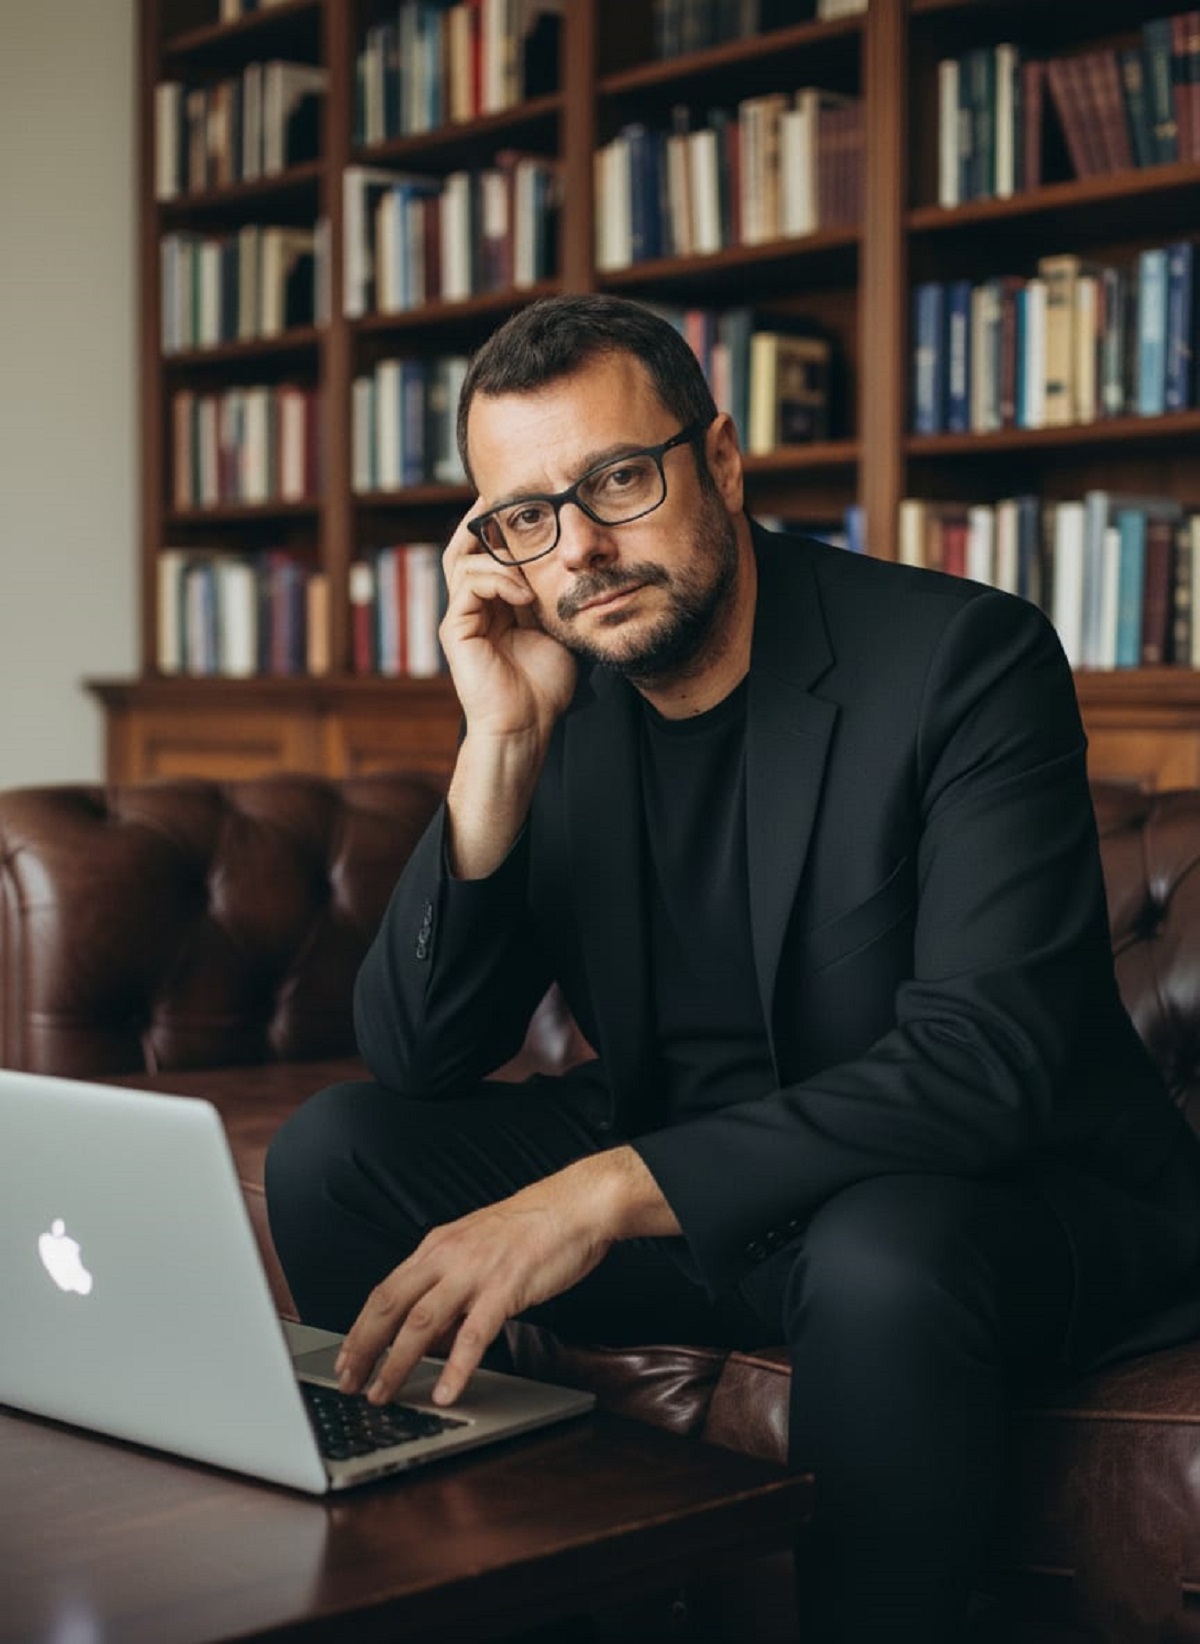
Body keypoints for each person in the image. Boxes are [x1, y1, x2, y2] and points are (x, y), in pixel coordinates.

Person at [266, 293, 1200, 1641]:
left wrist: (603, 1192)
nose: (580, 548)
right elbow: (419, 1054)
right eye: (528, 515)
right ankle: (519, 1599)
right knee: (337, 1154)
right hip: (722, 1194)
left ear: (721, 458)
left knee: (884, 1251)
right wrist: (499, 750)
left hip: (988, 1198)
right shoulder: (561, 690)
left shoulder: (961, 658)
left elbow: (981, 1069)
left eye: (619, 481)